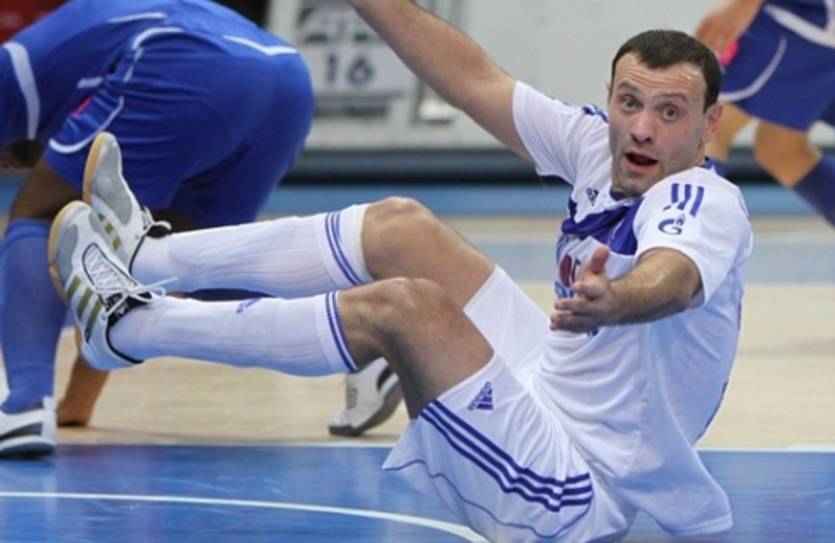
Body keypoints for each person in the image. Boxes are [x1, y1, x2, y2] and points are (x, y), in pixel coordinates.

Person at [52, 6, 751, 541]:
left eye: (669, 113)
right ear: (611, 97)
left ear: (708, 125)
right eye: (630, 103)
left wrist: (617, 299)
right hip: (542, 384)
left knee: (405, 308)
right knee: (400, 227)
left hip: (574, 490)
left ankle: (132, 325)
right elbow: (474, 80)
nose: (642, 128)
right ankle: (145, 257)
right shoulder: (598, 145)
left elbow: (673, 276)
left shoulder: (701, 200)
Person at [0, 0, 313, 456]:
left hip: (188, 59)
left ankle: (26, 402)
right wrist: (78, 403)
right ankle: (366, 332)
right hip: (286, 79)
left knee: (38, 213)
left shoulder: (12, 71)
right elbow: (115, 267)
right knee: (186, 261)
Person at [696, 0, 835, 227]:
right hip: (814, 28)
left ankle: (688, 240)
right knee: (781, 149)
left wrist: (744, 4)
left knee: (707, 128)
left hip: (801, 20)